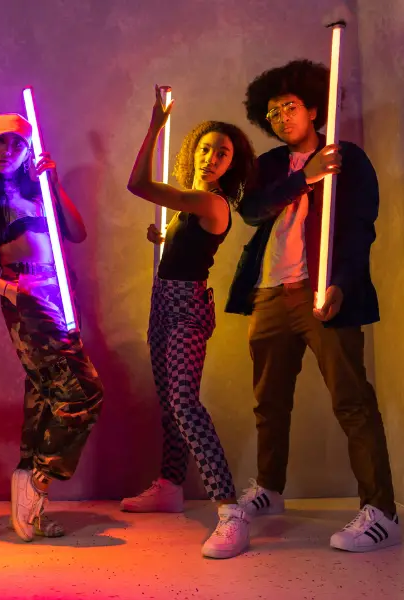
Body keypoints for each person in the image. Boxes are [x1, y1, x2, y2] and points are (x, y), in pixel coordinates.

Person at [226, 59, 399, 552]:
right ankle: (269, 488)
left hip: (321, 291)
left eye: (290, 106)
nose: (281, 116)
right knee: (269, 401)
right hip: (270, 293)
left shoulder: (347, 158)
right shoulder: (271, 166)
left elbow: (360, 225)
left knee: (351, 399)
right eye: (273, 110)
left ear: (313, 109)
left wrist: (341, 283)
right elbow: (251, 211)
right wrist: (305, 177)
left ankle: (381, 512)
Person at [0, 113, 104, 543]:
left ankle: (30, 501)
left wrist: (53, 184)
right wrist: (10, 290)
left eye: (17, 145)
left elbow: (76, 232)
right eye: (0, 143)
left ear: (29, 151)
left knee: (46, 392)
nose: (8, 151)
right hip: (26, 295)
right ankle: (38, 478)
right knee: (82, 391)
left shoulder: (38, 191)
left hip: (61, 292)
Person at [123, 86, 258, 558]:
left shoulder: (213, 202)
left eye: (222, 153)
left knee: (185, 404)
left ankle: (230, 510)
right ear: (194, 152)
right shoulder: (193, 204)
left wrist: (156, 124)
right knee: (168, 402)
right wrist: (166, 237)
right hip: (164, 303)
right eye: (206, 149)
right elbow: (186, 245)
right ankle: (169, 485)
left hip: (186, 309)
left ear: (231, 164)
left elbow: (137, 185)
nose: (212, 157)